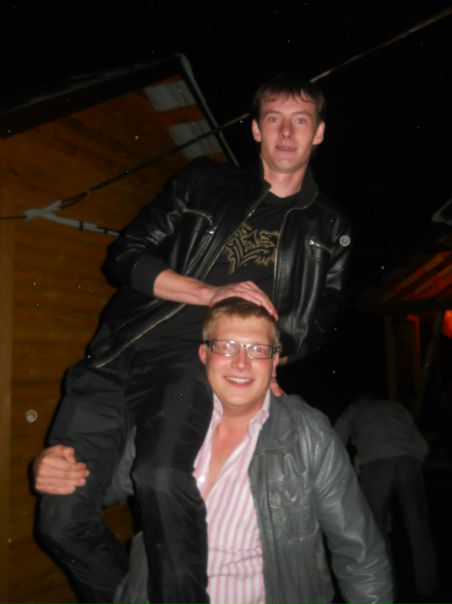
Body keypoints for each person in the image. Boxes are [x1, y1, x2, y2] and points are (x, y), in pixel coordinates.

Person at [34, 72, 352, 604]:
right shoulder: (204, 181)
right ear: (255, 129)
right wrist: (209, 292)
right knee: (60, 520)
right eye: (274, 119)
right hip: (114, 353)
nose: (286, 133)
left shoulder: (329, 225)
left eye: (301, 121)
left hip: (188, 364)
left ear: (318, 132)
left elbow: (319, 318)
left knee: (161, 476)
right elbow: (125, 256)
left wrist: (272, 362)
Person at [37, 298, 392, 604]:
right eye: (226, 346)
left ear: (274, 362)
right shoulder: (165, 420)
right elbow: (106, 487)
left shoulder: (307, 433)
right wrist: (59, 466)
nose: (241, 362)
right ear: (203, 355)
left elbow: (360, 553)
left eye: (257, 350)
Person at [334, 395, 438, 599]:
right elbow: (421, 444)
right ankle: (428, 587)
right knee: (418, 527)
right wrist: (415, 460)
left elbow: (335, 439)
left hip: (374, 463)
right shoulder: (396, 407)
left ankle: (387, 590)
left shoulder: (353, 410)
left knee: (377, 531)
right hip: (408, 460)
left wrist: (353, 467)